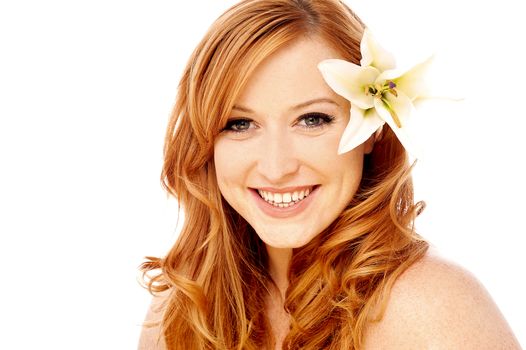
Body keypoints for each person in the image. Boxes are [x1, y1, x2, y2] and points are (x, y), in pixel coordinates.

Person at [139, 0, 521, 349]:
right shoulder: (182, 303)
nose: (276, 167)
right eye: (240, 124)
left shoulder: (429, 305)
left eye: (312, 119)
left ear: (373, 131)